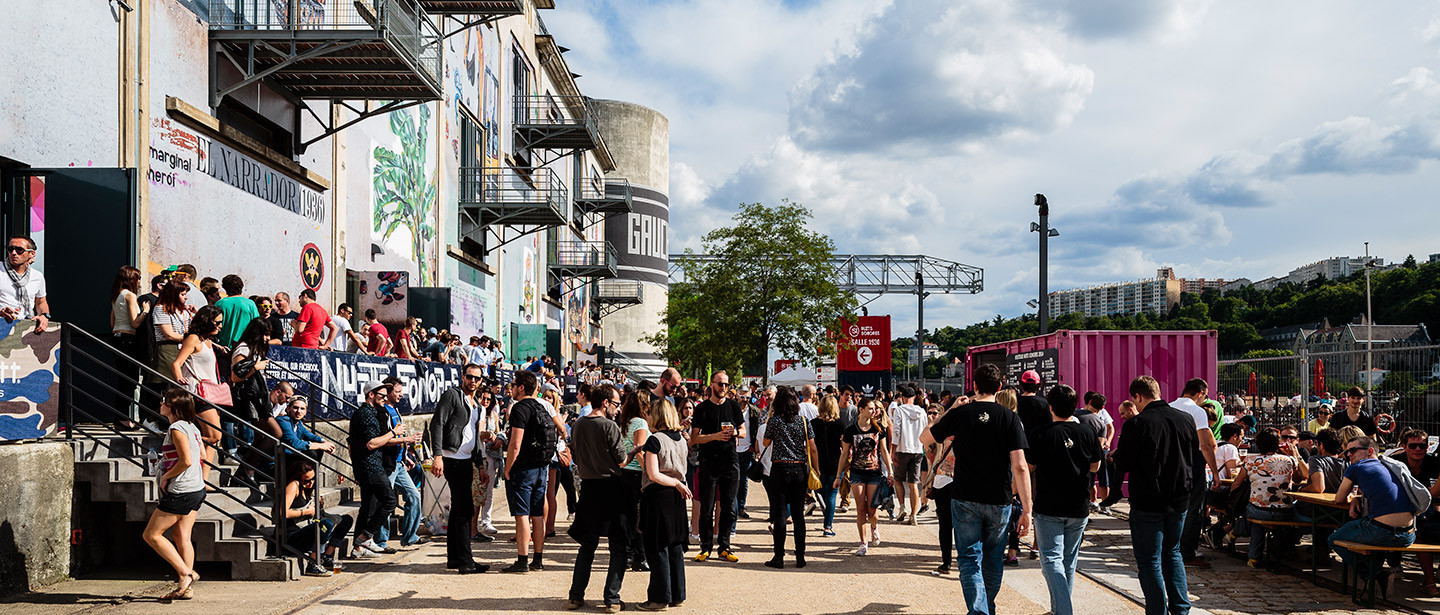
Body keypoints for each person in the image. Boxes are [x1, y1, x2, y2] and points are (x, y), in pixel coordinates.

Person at [921, 364, 1031, 615]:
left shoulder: (961, 413)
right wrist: (1027, 508)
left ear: (974, 387)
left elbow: (925, 439)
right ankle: (986, 608)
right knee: (993, 561)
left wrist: (949, 410)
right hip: (999, 498)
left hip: (965, 496)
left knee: (969, 560)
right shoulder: (1010, 417)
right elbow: (1021, 466)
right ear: (1000, 387)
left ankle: (980, 610)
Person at [1114, 376, 1197, 615]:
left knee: (1149, 560)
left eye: (1134, 400)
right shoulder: (1186, 419)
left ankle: (1156, 611)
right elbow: (1191, 456)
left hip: (1148, 499)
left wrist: (1115, 456)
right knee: (1172, 552)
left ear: (1138, 396)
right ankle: (1181, 609)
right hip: (1179, 497)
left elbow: (1126, 461)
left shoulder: (1137, 424)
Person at [1027, 385, 1102, 615]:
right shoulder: (1088, 432)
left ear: (1050, 407)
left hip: (1048, 504)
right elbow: (1095, 466)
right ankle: (1059, 608)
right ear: (1075, 407)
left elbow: (1029, 467)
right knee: (1068, 561)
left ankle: (1063, 610)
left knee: (1051, 560)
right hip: (1078, 505)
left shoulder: (1041, 433)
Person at [1330, 436, 1423, 595]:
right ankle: (1377, 579)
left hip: (1382, 532)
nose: (1349, 455)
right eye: (1346, 452)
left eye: (1353, 450)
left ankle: (1375, 575)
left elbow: (1339, 499)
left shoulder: (1357, 467)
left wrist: (1353, 497)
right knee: (1370, 530)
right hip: (1408, 534)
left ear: (1370, 451)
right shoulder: (1391, 466)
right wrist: (1358, 497)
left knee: (1334, 540)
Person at [567, 382, 628, 611]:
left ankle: (576, 595)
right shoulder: (609, 426)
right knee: (618, 546)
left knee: (587, 545)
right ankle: (611, 598)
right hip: (611, 487)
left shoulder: (579, 424)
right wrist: (634, 451)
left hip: (588, 488)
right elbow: (622, 461)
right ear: (605, 403)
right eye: (615, 404)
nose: (618, 409)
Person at [142, 388, 207, 600]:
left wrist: (165, 475)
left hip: (182, 490)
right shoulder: (192, 428)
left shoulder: (176, 428)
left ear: (173, 407)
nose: (161, 404)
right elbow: (202, 455)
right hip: (196, 488)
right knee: (182, 537)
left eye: (165, 402)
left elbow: (186, 460)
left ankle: (186, 573)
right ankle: (185, 588)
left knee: (151, 534)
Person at [427, 363, 489, 573]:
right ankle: (466, 562)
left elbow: (474, 437)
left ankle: (454, 558)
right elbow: (437, 424)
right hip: (451, 457)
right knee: (464, 510)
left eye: (477, 378)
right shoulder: (452, 396)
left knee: (458, 510)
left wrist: (480, 464)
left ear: (481, 381)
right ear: (463, 377)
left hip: (466, 460)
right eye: (470, 377)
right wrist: (437, 456)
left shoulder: (478, 405)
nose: (473, 381)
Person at [502, 370, 565, 573]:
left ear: (521, 387)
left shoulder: (520, 408)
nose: (511, 388)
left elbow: (515, 444)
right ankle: (538, 559)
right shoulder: (541, 405)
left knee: (521, 513)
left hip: (524, 468)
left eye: (513, 385)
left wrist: (508, 468)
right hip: (542, 466)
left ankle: (522, 559)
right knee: (537, 514)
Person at [348, 380, 415, 559]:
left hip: (368, 466)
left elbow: (352, 442)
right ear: (371, 394)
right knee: (389, 501)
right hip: (371, 466)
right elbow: (371, 444)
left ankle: (358, 548)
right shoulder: (367, 414)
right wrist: (395, 433)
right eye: (382, 396)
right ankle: (366, 537)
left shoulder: (371, 412)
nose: (385, 399)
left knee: (368, 508)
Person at [636, 398, 692, 611]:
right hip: (677, 496)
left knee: (657, 546)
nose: (647, 416)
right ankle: (677, 593)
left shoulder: (654, 440)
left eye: (650, 412)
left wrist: (675, 481)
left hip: (659, 495)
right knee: (675, 545)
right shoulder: (680, 438)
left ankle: (659, 598)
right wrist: (678, 482)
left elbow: (653, 474)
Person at [690, 371, 745, 563]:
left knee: (729, 507)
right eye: (720, 384)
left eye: (726, 385)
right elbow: (694, 439)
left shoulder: (733, 405)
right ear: (711, 384)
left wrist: (735, 432)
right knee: (707, 507)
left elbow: (744, 431)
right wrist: (714, 436)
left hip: (730, 461)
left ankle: (725, 546)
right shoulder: (702, 408)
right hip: (708, 462)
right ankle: (705, 547)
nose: (723, 388)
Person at [761, 387, 818, 569]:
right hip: (799, 468)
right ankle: (800, 556)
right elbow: (813, 447)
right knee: (798, 515)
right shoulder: (803, 421)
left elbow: (766, 442)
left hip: (780, 467)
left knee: (779, 514)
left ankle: (779, 556)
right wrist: (816, 469)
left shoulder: (775, 421)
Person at [1232, 428, 1304, 567]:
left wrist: (1232, 496)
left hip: (1258, 510)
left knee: (1255, 514)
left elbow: (1237, 483)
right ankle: (1251, 554)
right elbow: (1298, 480)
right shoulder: (1289, 460)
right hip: (1284, 512)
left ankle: (1250, 553)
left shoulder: (1250, 460)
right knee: (1259, 515)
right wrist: (1294, 458)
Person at [1169, 378, 1220, 567]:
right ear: (1200, 393)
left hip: (1171, 462)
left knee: (1173, 507)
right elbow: (1206, 445)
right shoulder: (1197, 411)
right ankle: (1187, 552)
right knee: (1193, 510)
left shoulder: (1169, 407)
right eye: (1205, 396)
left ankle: (1171, 548)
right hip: (1192, 461)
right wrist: (1214, 472)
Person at [172, 305, 225, 469]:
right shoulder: (193, 339)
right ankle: (184, 439)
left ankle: (204, 479)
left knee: (214, 438)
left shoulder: (208, 340)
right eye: (217, 323)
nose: (220, 326)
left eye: (221, 322)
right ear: (207, 322)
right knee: (215, 435)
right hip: (198, 392)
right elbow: (177, 363)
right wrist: (180, 378)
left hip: (211, 392)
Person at [375, 377, 424, 550]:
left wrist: (406, 454)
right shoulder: (382, 412)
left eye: (401, 392)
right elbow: (384, 440)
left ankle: (410, 536)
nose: (401, 395)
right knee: (386, 501)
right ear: (387, 392)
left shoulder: (394, 410)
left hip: (399, 463)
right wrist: (407, 439)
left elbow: (397, 439)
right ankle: (381, 541)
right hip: (387, 464)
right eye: (397, 392)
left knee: (414, 496)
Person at [281, 460, 352, 576]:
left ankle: (326, 556)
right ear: (298, 478)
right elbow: (283, 512)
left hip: (306, 527)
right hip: (292, 534)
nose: (310, 482)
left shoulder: (309, 489)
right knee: (325, 524)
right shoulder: (293, 486)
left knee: (346, 520)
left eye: (313, 479)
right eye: (307, 480)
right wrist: (307, 511)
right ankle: (314, 563)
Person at [618, 388, 652, 572]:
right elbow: (639, 449)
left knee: (630, 516)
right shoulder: (640, 422)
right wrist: (649, 469)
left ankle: (630, 554)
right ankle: (639, 556)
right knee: (640, 517)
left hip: (626, 472)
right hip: (638, 472)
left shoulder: (626, 421)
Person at [108, 265, 146, 426]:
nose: (139, 281)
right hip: (128, 339)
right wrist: (145, 311)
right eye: (138, 278)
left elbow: (112, 322)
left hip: (117, 337)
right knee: (130, 380)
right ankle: (123, 418)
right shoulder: (130, 296)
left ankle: (121, 416)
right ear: (132, 279)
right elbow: (135, 322)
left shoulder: (116, 296)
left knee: (124, 379)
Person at [922, 402, 957, 576]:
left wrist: (933, 421)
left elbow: (924, 438)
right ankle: (964, 561)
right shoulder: (970, 431)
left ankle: (946, 562)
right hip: (963, 481)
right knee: (963, 524)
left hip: (943, 480)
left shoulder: (940, 435)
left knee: (945, 524)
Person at [890, 384, 927, 526]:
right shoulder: (922, 412)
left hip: (902, 448)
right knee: (913, 484)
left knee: (898, 480)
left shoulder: (899, 410)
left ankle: (902, 506)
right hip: (917, 449)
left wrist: (893, 451)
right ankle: (913, 515)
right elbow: (925, 430)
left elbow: (897, 431)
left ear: (902, 397)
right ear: (915, 397)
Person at [0, 236, 50, 335]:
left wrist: (44, 315)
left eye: (19, 250)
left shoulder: (37, 276)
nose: (13, 253)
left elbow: (41, 302)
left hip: (26, 327)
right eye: (10, 249)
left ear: (32, 253)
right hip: (2, 325)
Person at [812, 394, 845, 537]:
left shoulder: (813, 423)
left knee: (821, 491)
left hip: (818, 462)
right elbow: (844, 446)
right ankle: (827, 526)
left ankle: (826, 516)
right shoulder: (840, 424)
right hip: (835, 462)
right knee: (832, 494)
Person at [1075, 393, 1114, 508]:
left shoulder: (1075, 415)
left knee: (1088, 481)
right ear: (1102, 407)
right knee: (1099, 478)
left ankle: (1088, 504)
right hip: (1095, 453)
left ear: (1090, 402)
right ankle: (1099, 504)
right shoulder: (1100, 423)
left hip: (1079, 453)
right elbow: (1103, 438)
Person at [275, 395, 337, 464]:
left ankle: (311, 474)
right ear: (288, 408)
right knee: (312, 453)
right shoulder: (283, 421)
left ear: (305, 412)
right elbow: (294, 443)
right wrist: (320, 446)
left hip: (289, 457)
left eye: (302, 409)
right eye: (295, 408)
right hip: (279, 461)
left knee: (317, 450)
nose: (298, 411)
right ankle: (309, 474)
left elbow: (310, 436)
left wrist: (325, 442)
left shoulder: (298, 423)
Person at [214, 275, 257, 349]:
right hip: (244, 348)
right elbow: (257, 326)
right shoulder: (250, 304)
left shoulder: (220, 304)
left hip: (223, 348)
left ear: (224, 287)